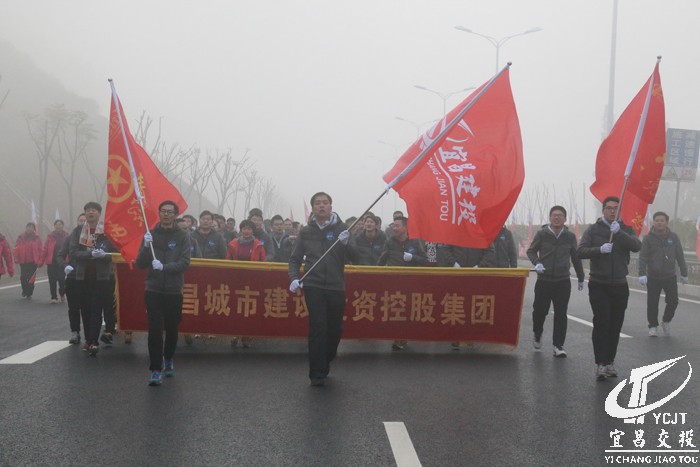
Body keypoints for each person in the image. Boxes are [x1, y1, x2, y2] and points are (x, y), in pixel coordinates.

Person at [288, 192, 357, 386]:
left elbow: (356, 256)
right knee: (318, 327)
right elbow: (294, 259)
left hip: (336, 285)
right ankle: (316, 374)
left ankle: (326, 359)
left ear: (331, 207)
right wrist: (294, 278)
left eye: (325, 203)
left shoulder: (342, 229)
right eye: (317, 203)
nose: (321, 206)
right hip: (313, 284)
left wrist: (346, 244)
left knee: (335, 329)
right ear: (312, 208)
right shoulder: (306, 232)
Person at [577, 196, 641, 381]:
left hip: (620, 284)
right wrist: (599, 249)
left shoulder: (626, 229)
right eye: (609, 208)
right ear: (603, 210)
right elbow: (580, 251)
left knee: (615, 325)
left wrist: (620, 233)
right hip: (599, 284)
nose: (613, 211)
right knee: (602, 322)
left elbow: (637, 246)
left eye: (616, 208)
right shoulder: (593, 229)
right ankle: (601, 363)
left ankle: (610, 361)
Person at [137, 200, 191, 386]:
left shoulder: (183, 236)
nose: (166, 214)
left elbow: (185, 262)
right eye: (163, 211)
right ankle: (155, 369)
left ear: (175, 215)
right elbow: (140, 263)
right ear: (159, 213)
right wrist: (146, 246)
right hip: (153, 288)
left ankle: (168, 357)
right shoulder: (150, 235)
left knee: (172, 328)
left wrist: (165, 267)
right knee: (154, 329)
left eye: (170, 212)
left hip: (174, 290)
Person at [527, 206, 585, 357]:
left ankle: (558, 345)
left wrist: (581, 277)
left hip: (562, 281)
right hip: (544, 280)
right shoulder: (542, 234)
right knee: (539, 311)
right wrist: (537, 263)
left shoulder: (569, 236)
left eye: (560, 215)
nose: (557, 218)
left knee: (561, 313)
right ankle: (537, 333)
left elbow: (575, 257)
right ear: (550, 218)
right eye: (554, 215)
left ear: (565, 219)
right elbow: (531, 251)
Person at [68, 202, 117, 356]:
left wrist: (104, 255)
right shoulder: (77, 231)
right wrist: (89, 254)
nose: (90, 212)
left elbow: (115, 251)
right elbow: (73, 252)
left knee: (96, 308)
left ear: (99, 213)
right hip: (82, 276)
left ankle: (93, 341)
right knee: (85, 308)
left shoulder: (107, 232)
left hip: (101, 277)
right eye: (88, 210)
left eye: (93, 210)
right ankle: (88, 339)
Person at [378, 216, 427, 350]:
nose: (394, 228)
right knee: (395, 309)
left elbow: (425, 260)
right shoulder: (390, 242)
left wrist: (413, 258)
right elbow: (382, 259)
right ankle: (397, 338)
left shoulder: (415, 241)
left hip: (411, 283)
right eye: (393, 226)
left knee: (408, 310)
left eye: (397, 225)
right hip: (394, 282)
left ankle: (404, 337)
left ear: (405, 227)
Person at [638, 211, 688, 337]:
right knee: (652, 302)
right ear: (653, 222)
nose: (659, 222)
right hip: (653, 276)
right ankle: (653, 326)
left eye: (662, 220)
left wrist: (684, 273)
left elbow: (680, 255)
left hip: (669, 276)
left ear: (667, 222)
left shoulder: (673, 237)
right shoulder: (648, 238)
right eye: (657, 220)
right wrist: (642, 273)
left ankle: (666, 320)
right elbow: (643, 257)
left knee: (673, 301)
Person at [227, 219, 266, 347]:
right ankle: (235, 334)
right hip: (236, 280)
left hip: (252, 282)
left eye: (249, 229)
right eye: (244, 228)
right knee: (235, 308)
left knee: (249, 309)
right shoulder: (232, 244)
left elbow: (263, 263)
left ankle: (246, 336)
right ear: (240, 230)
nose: (246, 231)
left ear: (253, 231)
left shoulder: (259, 245)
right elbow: (227, 261)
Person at [57, 213, 87, 344]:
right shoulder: (70, 238)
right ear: (77, 222)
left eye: (85, 221)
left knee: (88, 307)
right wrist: (65, 266)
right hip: (73, 277)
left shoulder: (95, 237)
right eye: (80, 220)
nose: (82, 223)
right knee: (73, 307)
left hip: (88, 277)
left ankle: (90, 336)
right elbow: (60, 256)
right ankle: (75, 332)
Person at [41, 219, 69, 303]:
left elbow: (70, 248)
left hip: (62, 261)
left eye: (60, 224)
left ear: (63, 226)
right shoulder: (50, 236)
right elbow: (45, 249)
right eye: (57, 224)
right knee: (52, 280)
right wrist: (41, 261)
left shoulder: (67, 236)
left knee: (61, 279)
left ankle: (62, 293)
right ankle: (53, 296)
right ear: (54, 226)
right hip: (51, 261)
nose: (58, 226)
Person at [13, 222, 42, 299]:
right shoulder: (21, 237)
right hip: (23, 261)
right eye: (28, 227)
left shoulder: (37, 238)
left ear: (34, 229)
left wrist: (40, 260)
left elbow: (40, 250)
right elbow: (16, 248)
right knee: (23, 277)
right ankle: (24, 290)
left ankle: (29, 292)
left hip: (33, 262)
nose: (29, 229)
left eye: (32, 227)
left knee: (31, 278)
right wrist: (16, 257)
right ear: (26, 228)